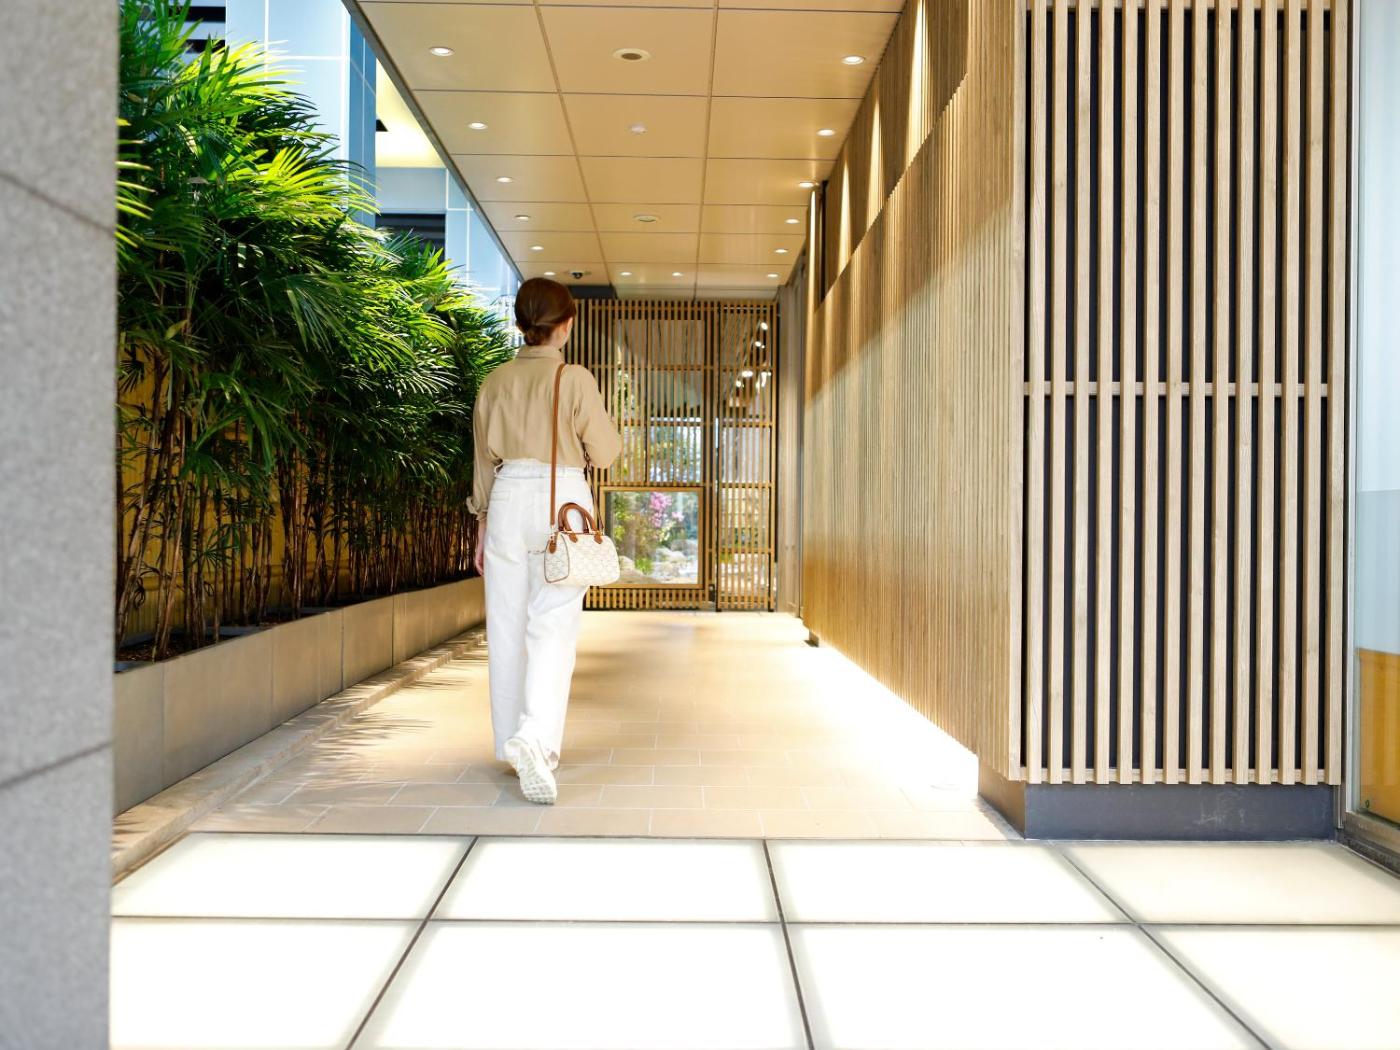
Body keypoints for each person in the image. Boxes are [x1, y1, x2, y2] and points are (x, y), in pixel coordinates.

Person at [469, 278, 621, 804]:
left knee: (506, 626)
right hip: (564, 502)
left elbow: (482, 464)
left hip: (507, 499)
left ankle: (514, 744)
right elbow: (605, 453)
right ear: (566, 325)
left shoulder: (493, 382)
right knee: (552, 626)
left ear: (519, 323)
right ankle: (535, 738)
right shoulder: (573, 379)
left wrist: (482, 523)